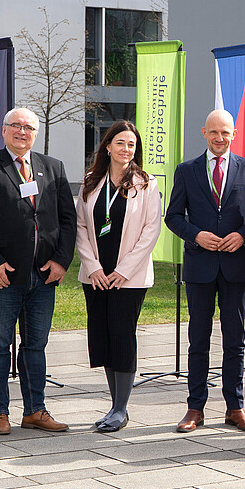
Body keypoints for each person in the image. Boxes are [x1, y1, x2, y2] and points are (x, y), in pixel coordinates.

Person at [0, 107, 76, 435]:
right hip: (4, 276)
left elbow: (67, 219)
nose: (22, 132)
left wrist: (61, 261)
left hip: (44, 275)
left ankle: (35, 410)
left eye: (28, 128)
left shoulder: (52, 168)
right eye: (16, 126)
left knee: (35, 345)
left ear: (36, 134)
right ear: (4, 130)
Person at [165, 109, 245, 433]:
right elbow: (173, 216)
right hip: (200, 266)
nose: (220, 138)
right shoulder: (187, 170)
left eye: (226, 133)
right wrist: (195, 234)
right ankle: (195, 408)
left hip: (236, 266)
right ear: (204, 132)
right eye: (214, 132)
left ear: (234, 134)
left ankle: (235, 407)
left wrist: (243, 235)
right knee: (198, 339)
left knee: (236, 339)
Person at [75, 120, 161, 432]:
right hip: (96, 276)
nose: (126, 150)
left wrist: (123, 271)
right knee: (104, 336)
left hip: (129, 278)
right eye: (121, 143)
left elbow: (151, 232)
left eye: (132, 145)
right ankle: (114, 405)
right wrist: (93, 267)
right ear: (108, 146)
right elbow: (81, 227)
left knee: (122, 336)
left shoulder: (146, 184)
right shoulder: (90, 181)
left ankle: (121, 409)